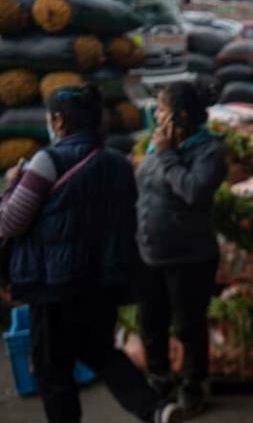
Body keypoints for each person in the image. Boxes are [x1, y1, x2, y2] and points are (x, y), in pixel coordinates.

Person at [0, 84, 182, 423]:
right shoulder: (117, 163)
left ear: (57, 121)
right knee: (100, 351)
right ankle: (156, 408)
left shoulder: (47, 161)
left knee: (53, 371)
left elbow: (10, 221)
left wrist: (13, 183)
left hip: (55, 285)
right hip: (103, 280)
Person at [136, 82, 227, 417]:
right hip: (149, 254)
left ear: (182, 116)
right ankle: (159, 380)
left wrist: (167, 155)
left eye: (161, 109)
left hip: (190, 257)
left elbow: (194, 191)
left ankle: (193, 385)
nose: (156, 116)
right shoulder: (156, 147)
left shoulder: (209, 151)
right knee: (151, 322)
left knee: (188, 325)